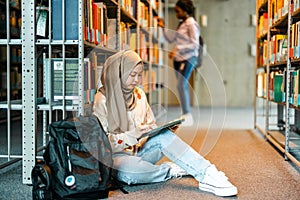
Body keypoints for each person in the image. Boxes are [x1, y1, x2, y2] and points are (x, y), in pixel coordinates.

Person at [93, 49, 238, 197]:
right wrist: (132, 135)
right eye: (132, 75)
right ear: (118, 73)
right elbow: (101, 144)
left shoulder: (139, 94)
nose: (137, 80)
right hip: (116, 158)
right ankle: (170, 170)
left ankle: (207, 173)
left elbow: (150, 123)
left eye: (140, 75)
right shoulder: (102, 100)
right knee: (129, 173)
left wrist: (157, 130)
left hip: (140, 150)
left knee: (164, 136)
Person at [157, 0, 200, 126]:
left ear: (185, 10)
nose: (176, 14)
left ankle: (187, 115)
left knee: (181, 85)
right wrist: (163, 27)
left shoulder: (191, 24)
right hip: (179, 59)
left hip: (189, 57)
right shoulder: (182, 24)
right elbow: (171, 39)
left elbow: (194, 44)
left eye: (178, 11)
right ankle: (185, 114)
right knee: (181, 86)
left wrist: (178, 49)